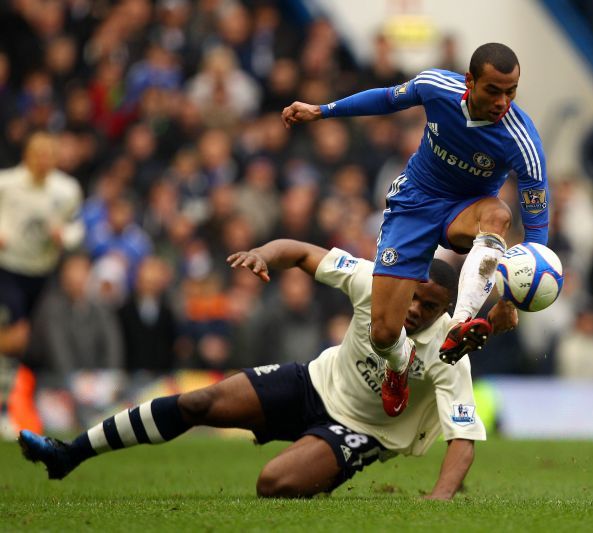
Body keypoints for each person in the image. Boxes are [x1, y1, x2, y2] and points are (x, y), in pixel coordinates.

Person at [19, 238, 494, 500]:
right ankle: (70, 454)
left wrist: (440, 497)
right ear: (404, 283)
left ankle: (325, 470)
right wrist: (265, 255)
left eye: (430, 307)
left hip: (362, 430)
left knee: (273, 485)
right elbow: (303, 252)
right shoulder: (375, 282)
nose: (414, 310)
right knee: (198, 401)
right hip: (313, 381)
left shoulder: (449, 352)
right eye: (413, 295)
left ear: (447, 310)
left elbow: (464, 440)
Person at [282, 42, 548, 398]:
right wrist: (322, 110)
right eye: (493, 91)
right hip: (414, 204)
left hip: (465, 211)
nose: (502, 102)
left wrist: (510, 300)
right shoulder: (437, 87)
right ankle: (397, 364)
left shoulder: (523, 140)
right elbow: (388, 98)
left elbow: (537, 230)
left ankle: (461, 321)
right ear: (470, 80)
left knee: (499, 214)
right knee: (383, 333)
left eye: (510, 92)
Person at [0, 132, 84, 436]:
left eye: (49, 155)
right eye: (38, 154)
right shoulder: (7, 183)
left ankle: (8, 407)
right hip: (8, 267)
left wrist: (67, 237)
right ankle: (5, 409)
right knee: (17, 337)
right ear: (27, 155)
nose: (43, 161)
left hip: (41, 272)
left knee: (22, 344)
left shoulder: (66, 189)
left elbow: (76, 226)